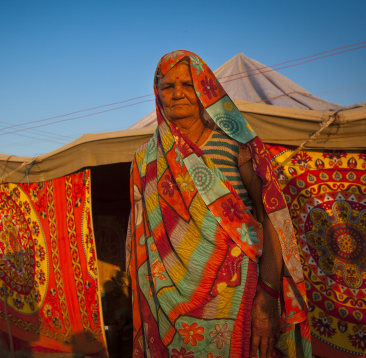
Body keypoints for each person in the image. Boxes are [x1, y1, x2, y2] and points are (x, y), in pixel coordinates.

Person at [125, 50, 311, 358]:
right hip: (169, 303)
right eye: (168, 86)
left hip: (239, 295)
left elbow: (269, 218)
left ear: (204, 88)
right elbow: (141, 238)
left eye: (187, 84)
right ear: (157, 92)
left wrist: (267, 298)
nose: (178, 93)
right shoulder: (145, 158)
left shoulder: (234, 143)